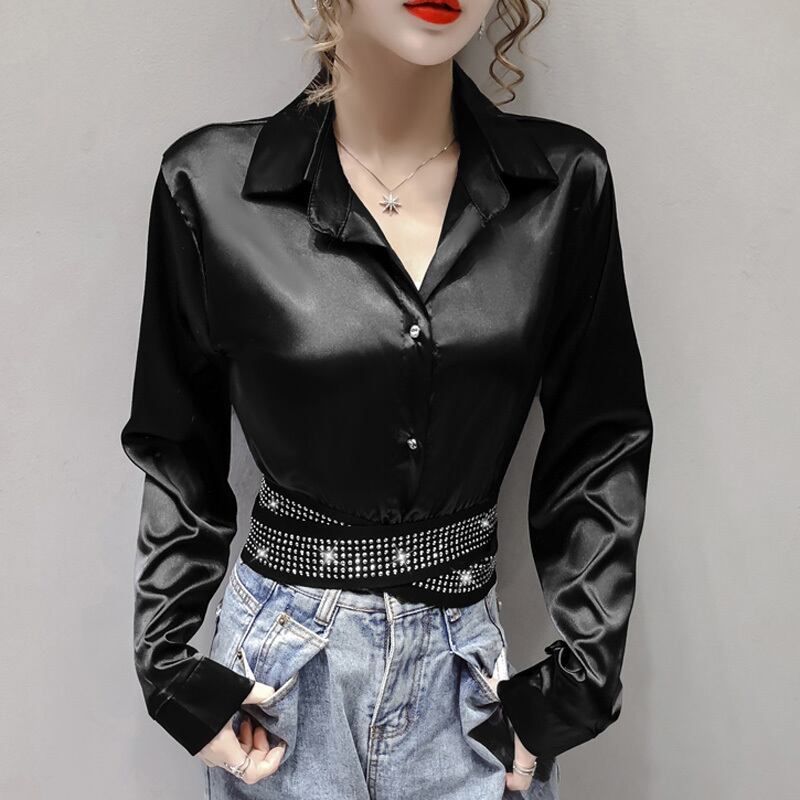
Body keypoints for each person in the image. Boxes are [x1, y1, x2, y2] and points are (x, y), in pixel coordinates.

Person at [120, 2, 653, 798]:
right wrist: (168, 671)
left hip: (467, 680)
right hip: (279, 685)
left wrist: (576, 686)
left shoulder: (562, 184)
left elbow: (600, 443)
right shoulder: (210, 185)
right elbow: (175, 447)